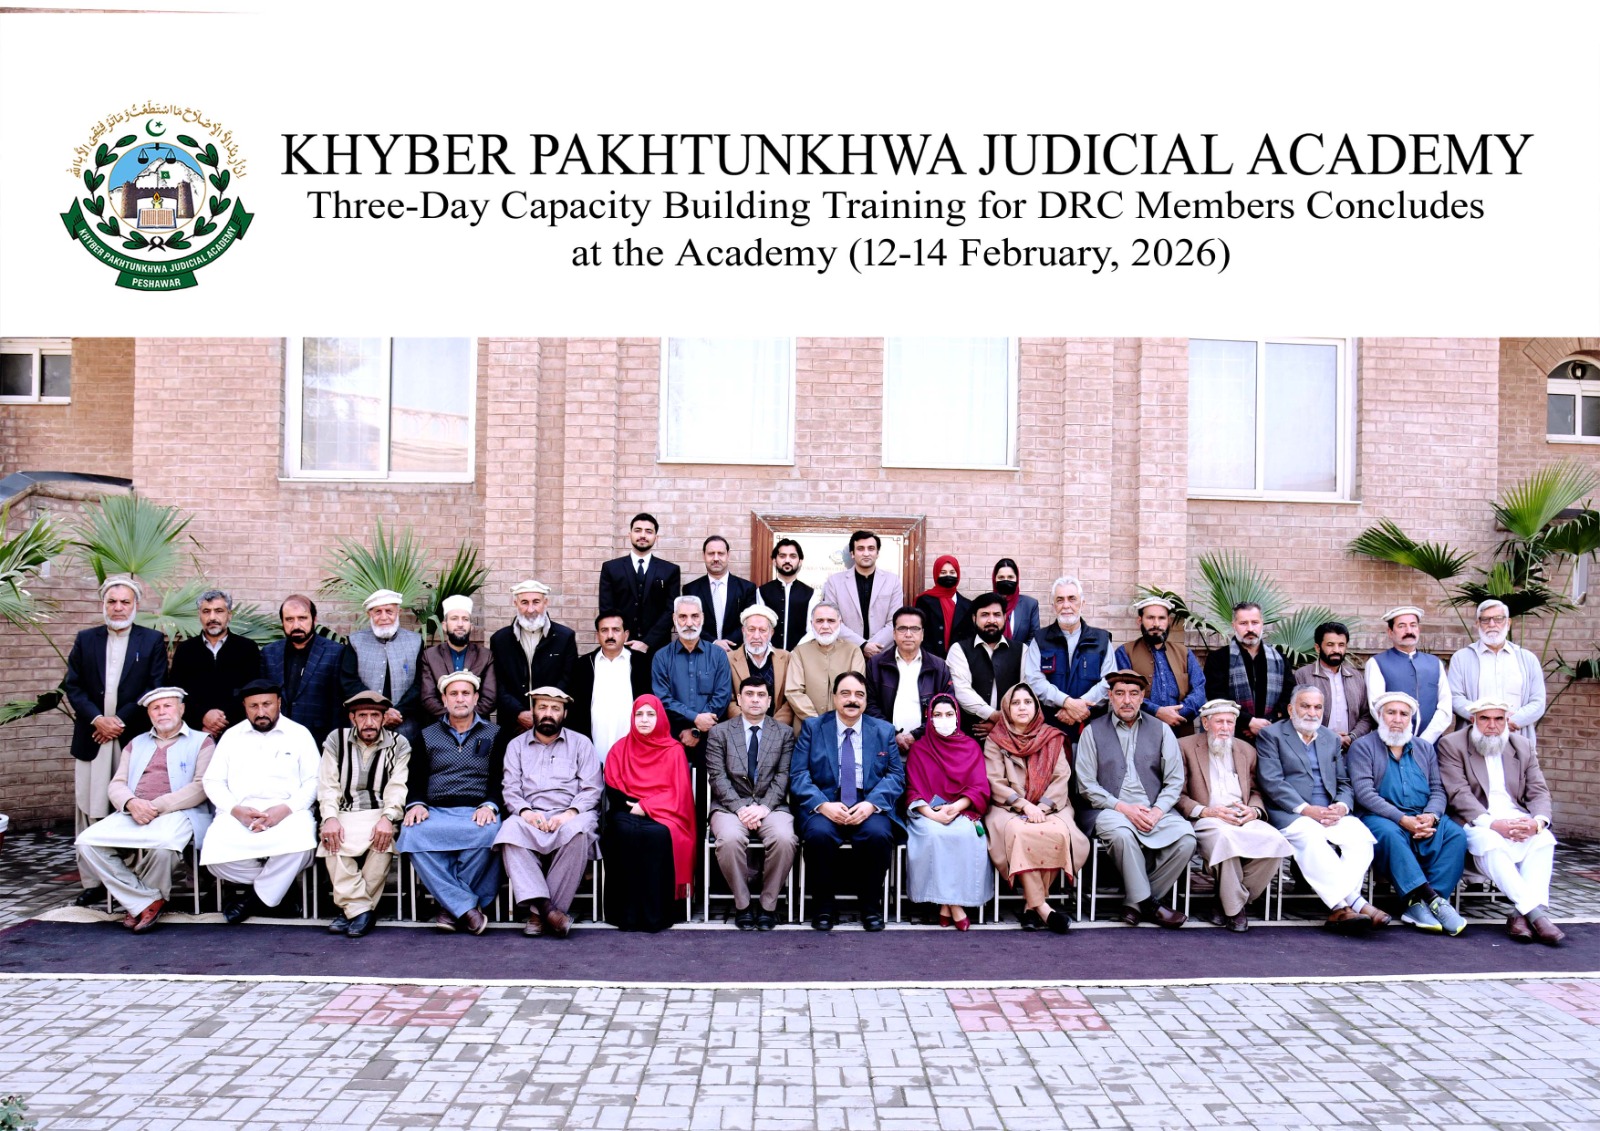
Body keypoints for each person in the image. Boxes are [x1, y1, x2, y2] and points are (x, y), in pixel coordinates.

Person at [63, 575, 168, 907]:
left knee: (133, 805)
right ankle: (94, 881)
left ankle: (132, 878)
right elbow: (73, 686)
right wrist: (98, 719)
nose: (118, 608)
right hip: (93, 735)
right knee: (90, 807)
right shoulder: (86, 639)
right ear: (103, 605)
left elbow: (154, 686)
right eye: (112, 601)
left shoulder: (151, 640)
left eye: (125, 602)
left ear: (135, 605)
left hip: (131, 737)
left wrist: (119, 721)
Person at [75, 686, 214, 934]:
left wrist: (156, 806)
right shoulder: (135, 743)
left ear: (181, 709)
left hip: (179, 811)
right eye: (155, 708)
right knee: (87, 842)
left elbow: (200, 787)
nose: (162, 712)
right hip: (134, 809)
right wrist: (131, 803)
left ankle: (138, 905)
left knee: (164, 847)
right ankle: (146, 900)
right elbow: (116, 784)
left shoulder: (202, 741)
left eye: (168, 706)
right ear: (149, 714)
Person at [1255, 685, 1386, 934]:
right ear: (1291, 709)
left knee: (1361, 839)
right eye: (1305, 706)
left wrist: (1341, 806)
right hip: (1290, 812)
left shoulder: (1330, 738)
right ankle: (1351, 904)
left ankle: (1341, 909)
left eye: (1318, 707)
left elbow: (1344, 782)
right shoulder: (1271, 735)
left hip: (1329, 812)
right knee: (1311, 838)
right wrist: (1306, 809)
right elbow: (1271, 781)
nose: (1312, 712)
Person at [1074, 669, 1195, 928]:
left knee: (1186, 838)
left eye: (1133, 694)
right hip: (1107, 809)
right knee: (1122, 834)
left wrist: (1158, 811)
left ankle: (1135, 903)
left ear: (1142, 697)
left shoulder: (1162, 730)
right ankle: (1151, 905)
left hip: (1154, 808)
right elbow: (1086, 785)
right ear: (1110, 697)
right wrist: (1123, 808)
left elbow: (1175, 781)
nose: (1126, 700)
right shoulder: (1092, 732)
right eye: (1120, 694)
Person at [1437, 698, 1563, 944]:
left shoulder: (1522, 745)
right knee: (1491, 843)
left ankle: (1519, 915)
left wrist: (1537, 822)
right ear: (1473, 719)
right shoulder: (1452, 744)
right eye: (1485, 718)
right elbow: (1458, 793)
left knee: (1544, 839)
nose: (1492, 725)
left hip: (1515, 815)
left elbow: (1538, 790)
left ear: (1507, 721)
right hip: (1475, 819)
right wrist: (1494, 824)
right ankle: (1535, 914)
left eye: (1499, 719)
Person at [790, 670, 905, 931]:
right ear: (834, 697)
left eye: (859, 695)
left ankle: (870, 907)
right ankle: (823, 908)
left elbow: (896, 776)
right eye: (845, 693)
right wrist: (823, 805)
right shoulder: (813, 728)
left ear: (866, 700)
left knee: (878, 835)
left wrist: (871, 804)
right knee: (819, 835)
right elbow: (798, 774)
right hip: (826, 802)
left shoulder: (883, 730)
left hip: (868, 803)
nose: (852, 700)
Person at [1348, 692, 1469, 934]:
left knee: (1456, 835)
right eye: (1391, 713)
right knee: (1389, 834)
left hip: (1422, 815)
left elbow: (1438, 789)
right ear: (1379, 715)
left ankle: (1426, 904)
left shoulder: (1424, 748)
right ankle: (1426, 899)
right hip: (1382, 817)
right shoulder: (1363, 747)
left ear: (1411, 719)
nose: (1397, 719)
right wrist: (1402, 819)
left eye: (1404, 714)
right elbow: (1364, 793)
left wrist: (1431, 815)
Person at [200, 680, 319, 923]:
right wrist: (236, 810)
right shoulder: (231, 736)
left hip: (288, 811)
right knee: (215, 859)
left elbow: (314, 781)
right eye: (253, 706)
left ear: (279, 703)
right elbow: (212, 781)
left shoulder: (299, 734)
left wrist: (285, 809)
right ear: (245, 707)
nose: (261, 712)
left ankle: (253, 899)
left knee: (301, 846)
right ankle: (281, 890)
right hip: (240, 812)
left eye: (267, 704)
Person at [398, 670, 504, 935]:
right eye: (453, 694)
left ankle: (451, 907)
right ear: (444, 700)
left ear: (476, 698)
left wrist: (490, 804)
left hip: (477, 809)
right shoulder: (426, 735)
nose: (460, 699)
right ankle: (466, 907)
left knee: (491, 831)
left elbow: (500, 778)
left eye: (465, 693)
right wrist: (417, 803)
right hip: (436, 810)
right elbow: (416, 777)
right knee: (412, 833)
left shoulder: (495, 733)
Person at [495, 687, 603, 939]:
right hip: (530, 814)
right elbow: (511, 789)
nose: (548, 713)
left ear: (564, 714)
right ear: (533, 711)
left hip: (571, 814)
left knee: (578, 832)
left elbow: (592, 789)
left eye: (555, 708)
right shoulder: (516, 746)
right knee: (509, 832)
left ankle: (537, 914)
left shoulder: (581, 743)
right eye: (542, 707)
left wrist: (568, 814)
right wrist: (527, 813)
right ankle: (550, 911)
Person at [1176, 700, 1293, 932]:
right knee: (1225, 840)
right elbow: (1177, 793)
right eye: (1219, 721)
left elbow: (1257, 790)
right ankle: (1234, 910)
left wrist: (1254, 811)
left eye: (1230, 722)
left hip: (1242, 815)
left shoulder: (1246, 750)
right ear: (1206, 723)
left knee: (1276, 842)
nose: (1225, 727)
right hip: (1206, 817)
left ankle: (1225, 899)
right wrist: (1207, 811)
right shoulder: (1184, 746)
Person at [983, 684, 1090, 932]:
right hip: (1007, 806)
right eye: (1016, 703)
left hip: (1052, 805)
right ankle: (1042, 907)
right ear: (1007, 709)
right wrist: (1025, 806)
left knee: (1058, 832)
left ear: (1036, 707)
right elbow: (994, 782)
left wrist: (1042, 807)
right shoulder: (995, 740)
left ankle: (1031, 907)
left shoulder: (1052, 737)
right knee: (1021, 832)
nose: (1022, 707)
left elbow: (1061, 778)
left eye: (1027, 702)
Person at [705, 678, 798, 930]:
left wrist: (764, 807)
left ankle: (768, 905)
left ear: (769, 701)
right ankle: (743, 904)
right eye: (749, 694)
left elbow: (784, 775)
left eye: (761, 695)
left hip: (771, 805)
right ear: (739, 699)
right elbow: (717, 776)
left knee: (784, 839)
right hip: (729, 806)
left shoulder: (784, 733)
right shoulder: (720, 732)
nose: (755, 699)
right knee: (729, 840)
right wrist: (740, 808)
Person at [317, 690, 410, 939]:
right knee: (331, 840)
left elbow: (397, 787)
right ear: (352, 718)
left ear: (384, 718)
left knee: (383, 839)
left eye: (375, 716)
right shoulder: (336, 739)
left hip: (379, 811)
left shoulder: (399, 744)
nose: (369, 722)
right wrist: (330, 817)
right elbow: (328, 785)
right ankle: (361, 910)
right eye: (362, 716)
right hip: (344, 810)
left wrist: (388, 818)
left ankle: (351, 910)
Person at [602, 694, 695, 931]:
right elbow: (613, 789)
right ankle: (625, 915)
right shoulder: (620, 748)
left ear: (660, 717)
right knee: (623, 831)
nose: (644, 720)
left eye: (650, 714)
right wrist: (634, 808)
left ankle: (657, 916)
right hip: (626, 811)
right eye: (639, 714)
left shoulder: (674, 750)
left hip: (666, 814)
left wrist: (647, 806)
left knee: (658, 835)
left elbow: (679, 792)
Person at [901, 694, 991, 929]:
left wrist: (955, 807)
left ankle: (946, 905)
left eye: (949, 714)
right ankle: (954, 906)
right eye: (938, 715)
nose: (944, 719)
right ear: (929, 719)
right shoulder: (919, 749)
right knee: (932, 834)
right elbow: (912, 790)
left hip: (961, 809)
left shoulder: (970, 747)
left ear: (957, 717)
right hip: (927, 813)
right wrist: (933, 815)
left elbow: (979, 787)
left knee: (965, 834)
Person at [1448, 599, 1547, 746]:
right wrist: (1484, 719)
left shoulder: (1528, 659)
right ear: (1478, 624)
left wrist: (1510, 721)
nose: (1492, 624)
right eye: (1485, 619)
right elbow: (1455, 698)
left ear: (1508, 623)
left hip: (1516, 739)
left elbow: (1538, 701)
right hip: (1474, 741)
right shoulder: (1461, 658)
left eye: (1498, 619)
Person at [1024, 575, 1114, 736]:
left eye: (1072, 599)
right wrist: (1066, 702)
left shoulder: (1102, 640)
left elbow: (1109, 681)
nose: (1066, 605)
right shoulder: (1040, 639)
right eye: (1060, 600)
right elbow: (1034, 681)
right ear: (1053, 606)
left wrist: (1080, 706)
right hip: (1050, 729)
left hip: (1092, 729)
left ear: (1082, 603)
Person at [651, 595, 735, 768]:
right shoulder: (661, 657)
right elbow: (663, 699)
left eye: (694, 616)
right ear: (674, 619)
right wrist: (695, 718)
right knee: (673, 783)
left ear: (702, 618)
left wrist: (696, 730)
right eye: (683, 617)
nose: (689, 623)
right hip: (672, 735)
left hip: (711, 735)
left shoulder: (718, 655)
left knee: (707, 783)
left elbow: (722, 696)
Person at [489, 579, 579, 737]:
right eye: (524, 602)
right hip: (513, 724)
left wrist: (543, 712)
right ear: (515, 603)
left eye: (536, 602)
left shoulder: (564, 637)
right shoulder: (500, 640)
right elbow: (498, 683)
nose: (530, 609)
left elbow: (568, 680)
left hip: (552, 723)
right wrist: (518, 713)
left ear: (545, 602)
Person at [169, 588, 261, 740]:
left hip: (237, 732)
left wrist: (221, 721)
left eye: (219, 611)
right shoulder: (185, 650)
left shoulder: (247, 648)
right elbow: (178, 692)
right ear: (199, 615)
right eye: (206, 611)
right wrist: (203, 717)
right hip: (195, 732)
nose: (212, 617)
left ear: (229, 615)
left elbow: (251, 691)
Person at [339, 589, 424, 748]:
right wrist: (379, 711)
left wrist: (398, 712)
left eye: (389, 611)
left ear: (398, 612)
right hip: (365, 727)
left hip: (405, 726)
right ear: (369, 614)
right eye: (378, 612)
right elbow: (349, 682)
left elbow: (420, 683)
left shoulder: (416, 641)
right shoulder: (355, 642)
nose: (384, 617)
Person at [864, 606, 954, 753]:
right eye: (902, 629)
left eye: (914, 629)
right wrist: (893, 734)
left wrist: (916, 735)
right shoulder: (876, 664)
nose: (908, 634)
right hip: (884, 746)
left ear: (922, 634)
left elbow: (947, 705)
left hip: (927, 746)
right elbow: (869, 705)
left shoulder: (938, 666)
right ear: (894, 634)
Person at [260, 594, 346, 746]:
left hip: (318, 739)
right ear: (282, 621)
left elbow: (338, 705)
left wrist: (334, 745)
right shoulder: (269, 652)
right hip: (276, 737)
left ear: (314, 619)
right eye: (289, 619)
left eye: (302, 618)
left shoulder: (335, 652)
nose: (296, 625)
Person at [1201, 603, 1294, 742]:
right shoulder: (1219, 658)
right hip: (1232, 736)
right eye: (1243, 623)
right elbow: (1216, 697)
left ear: (1262, 624)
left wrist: (1266, 723)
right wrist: (1249, 722)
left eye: (1255, 622)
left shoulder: (1279, 659)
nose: (1250, 628)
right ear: (1234, 625)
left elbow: (1289, 695)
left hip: (1272, 734)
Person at [567, 610, 652, 760]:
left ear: (626, 635)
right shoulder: (583, 665)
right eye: (604, 630)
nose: (610, 635)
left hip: (634, 752)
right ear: (597, 635)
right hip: (593, 751)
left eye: (616, 630)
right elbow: (575, 711)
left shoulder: (642, 664)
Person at [1113, 596, 1205, 733]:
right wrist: (1157, 712)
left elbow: (1199, 690)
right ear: (1140, 621)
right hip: (1140, 731)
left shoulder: (1184, 653)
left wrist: (1177, 713)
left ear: (1169, 621)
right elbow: (1123, 694)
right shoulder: (1125, 652)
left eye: (1161, 618)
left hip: (1180, 730)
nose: (1156, 624)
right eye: (1150, 618)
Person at [1363, 606, 1452, 742]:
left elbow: (1445, 708)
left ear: (1418, 629)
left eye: (1413, 625)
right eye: (1401, 626)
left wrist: (1425, 741)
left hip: (1431, 745)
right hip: (1391, 742)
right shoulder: (1376, 663)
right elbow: (1376, 708)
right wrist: (1401, 740)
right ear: (1390, 632)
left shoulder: (1435, 663)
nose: (1409, 631)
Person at [598, 512, 681, 654]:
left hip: (657, 649)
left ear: (656, 537)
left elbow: (671, 611)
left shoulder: (670, 570)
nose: (643, 535)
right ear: (629, 535)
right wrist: (623, 639)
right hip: (621, 647)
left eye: (648, 531)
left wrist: (647, 642)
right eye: (638, 530)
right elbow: (606, 609)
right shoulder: (610, 568)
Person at [947, 593, 1023, 739]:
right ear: (974, 618)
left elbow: (1025, 692)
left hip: (1012, 735)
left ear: (1004, 617)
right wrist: (994, 716)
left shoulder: (1022, 650)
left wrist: (1003, 724)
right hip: (969, 736)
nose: (991, 620)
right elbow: (962, 691)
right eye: (985, 615)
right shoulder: (958, 650)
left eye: (997, 615)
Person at [1292, 621, 1374, 750]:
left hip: (1351, 749)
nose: (1336, 650)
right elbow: (1296, 715)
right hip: (1313, 749)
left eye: (1341, 645)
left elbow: (1366, 716)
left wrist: (1351, 737)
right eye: (1330, 645)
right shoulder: (1302, 676)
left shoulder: (1356, 677)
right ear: (1318, 647)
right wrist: (1328, 737)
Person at [819, 530, 901, 658]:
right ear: (852, 553)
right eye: (860, 549)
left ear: (877, 553)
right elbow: (832, 620)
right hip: (845, 654)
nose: (866, 553)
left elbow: (895, 621)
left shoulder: (892, 581)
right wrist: (862, 645)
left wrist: (873, 647)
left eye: (871, 549)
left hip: (882, 654)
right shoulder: (834, 582)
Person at [420, 594, 497, 723]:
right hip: (440, 725)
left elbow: (489, 699)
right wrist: (453, 719)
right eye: (454, 619)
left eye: (465, 619)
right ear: (444, 625)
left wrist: (466, 720)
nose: (460, 624)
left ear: (471, 626)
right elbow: (428, 698)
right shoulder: (430, 656)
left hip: (478, 726)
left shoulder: (485, 656)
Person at [784, 603, 866, 723]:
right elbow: (793, 691)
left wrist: (839, 723)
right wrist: (815, 721)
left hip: (844, 725)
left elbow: (855, 690)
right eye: (820, 621)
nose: (825, 626)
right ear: (812, 624)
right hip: (808, 726)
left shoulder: (853, 651)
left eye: (831, 621)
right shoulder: (800, 652)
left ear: (840, 623)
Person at [725, 604, 795, 728]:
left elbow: (790, 699)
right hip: (741, 729)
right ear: (743, 631)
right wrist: (750, 725)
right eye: (751, 630)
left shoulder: (786, 658)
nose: (756, 636)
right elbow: (728, 700)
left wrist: (772, 728)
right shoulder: (728, 659)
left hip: (777, 730)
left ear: (771, 633)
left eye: (762, 630)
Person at [683, 534, 758, 650]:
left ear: (728, 555)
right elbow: (690, 623)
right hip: (702, 651)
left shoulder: (747, 588)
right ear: (704, 556)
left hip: (736, 651)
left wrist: (727, 644)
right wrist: (713, 642)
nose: (716, 558)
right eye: (711, 553)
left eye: (721, 553)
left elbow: (749, 621)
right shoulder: (691, 589)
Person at [758, 537, 814, 653]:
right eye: (782, 556)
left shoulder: (810, 593)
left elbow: (812, 629)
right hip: (768, 654)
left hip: (800, 656)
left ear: (800, 561)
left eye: (793, 556)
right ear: (774, 561)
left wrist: (796, 652)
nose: (787, 560)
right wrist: (772, 651)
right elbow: (760, 626)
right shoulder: (762, 591)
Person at [914, 554, 973, 658]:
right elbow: (919, 631)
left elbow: (969, 637)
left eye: (952, 572)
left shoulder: (967, 605)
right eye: (943, 572)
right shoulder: (924, 601)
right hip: (929, 658)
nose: (948, 575)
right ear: (936, 574)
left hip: (958, 659)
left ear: (958, 574)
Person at [990, 558, 1038, 649]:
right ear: (994, 579)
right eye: (1001, 577)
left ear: (1017, 579)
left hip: (1022, 655)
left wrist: (1019, 654)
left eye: (1010, 577)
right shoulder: (985, 604)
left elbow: (1033, 637)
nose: (1006, 580)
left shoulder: (1030, 605)